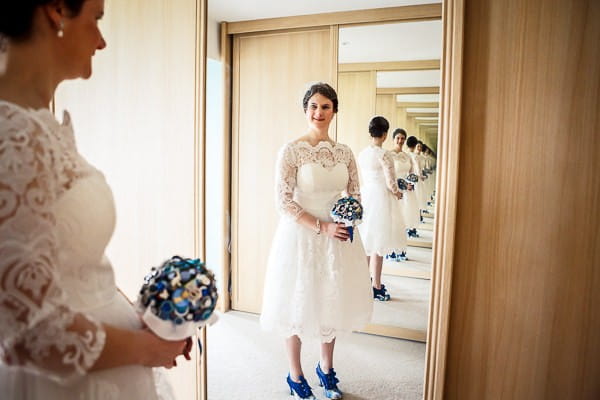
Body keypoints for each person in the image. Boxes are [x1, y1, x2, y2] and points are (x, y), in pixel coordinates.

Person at [0, 1, 192, 399]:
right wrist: (151, 349)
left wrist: (138, 320)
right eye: (97, 18)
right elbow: (32, 333)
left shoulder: (39, 124)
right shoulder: (12, 133)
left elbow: (72, 265)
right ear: (56, 11)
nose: (102, 41)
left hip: (106, 360)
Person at [260, 82, 372, 400]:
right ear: (305, 109)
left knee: (330, 301)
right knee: (297, 303)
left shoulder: (345, 152)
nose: (318, 112)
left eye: (325, 106)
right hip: (301, 235)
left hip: (337, 237)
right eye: (312, 105)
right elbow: (283, 202)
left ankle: (326, 368)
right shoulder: (292, 150)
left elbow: (356, 192)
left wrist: (348, 218)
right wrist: (320, 226)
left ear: (334, 110)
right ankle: (295, 375)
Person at [357, 116, 403, 301]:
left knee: (368, 239)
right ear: (384, 135)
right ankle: (376, 285)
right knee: (379, 241)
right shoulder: (384, 154)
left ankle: (363, 282)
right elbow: (391, 181)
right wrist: (397, 192)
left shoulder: (362, 153)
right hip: (380, 197)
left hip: (366, 194)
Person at [387, 128, 416, 261]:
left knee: (403, 220)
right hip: (394, 192)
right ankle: (391, 249)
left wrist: (409, 183)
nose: (400, 141)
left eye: (402, 138)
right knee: (394, 221)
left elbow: (411, 173)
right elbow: (387, 176)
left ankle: (401, 249)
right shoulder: (389, 155)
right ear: (393, 139)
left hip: (406, 192)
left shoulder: (407, 156)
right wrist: (397, 187)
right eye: (398, 138)